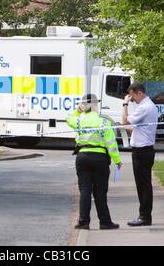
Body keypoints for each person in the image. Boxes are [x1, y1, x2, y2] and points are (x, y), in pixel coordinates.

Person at [67, 93, 122, 230]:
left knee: (85, 191)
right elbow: (111, 144)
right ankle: (104, 222)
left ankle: (83, 222)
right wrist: (117, 160)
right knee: (100, 192)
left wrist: (78, 110)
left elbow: (69, 119)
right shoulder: (104, 122)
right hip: (100, 159)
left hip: (82, 157)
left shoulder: (80, 121)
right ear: (96, 106)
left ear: (84, 106)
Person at [122, 82, 158, 227]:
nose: (132, 100)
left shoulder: (144, 107)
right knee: (143, 184)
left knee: (143, 185)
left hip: (142, 151)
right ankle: (144, 215)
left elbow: (124, 121)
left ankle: (144, 217)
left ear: (139, 93)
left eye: (132, 97)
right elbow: (131, 127)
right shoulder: (148, 106)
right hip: (143, 149)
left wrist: (124, 104)